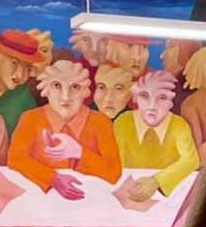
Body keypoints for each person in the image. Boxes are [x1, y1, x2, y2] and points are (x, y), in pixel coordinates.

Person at [8, 60, 121, 199]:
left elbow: (114, 172)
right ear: (46, 90)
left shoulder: (100, 122)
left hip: (89, 199)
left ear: (85, 92)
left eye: (75, 87)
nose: (65, 96)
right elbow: (15, 159)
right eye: (57, 86)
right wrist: (52, 178)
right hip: (40, 199)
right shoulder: (30, 119)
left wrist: (80, 153)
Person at [112, 70, 199, 200]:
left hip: (167, 197)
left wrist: (156, 181)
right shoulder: (123, 122)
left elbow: (191, 160)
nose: (152, 106)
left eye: (162, 98)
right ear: (135, 98)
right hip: (127, 193)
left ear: (170, 102)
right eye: (144, 96)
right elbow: (113, 161)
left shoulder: (179, 125)